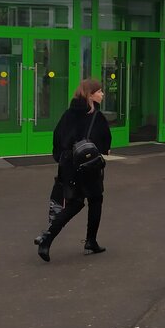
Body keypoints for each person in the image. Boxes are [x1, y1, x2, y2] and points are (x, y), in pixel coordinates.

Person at [34, 78, 112, 262]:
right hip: (89, 167)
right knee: (95, 199)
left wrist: (62, 158)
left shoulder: (68, 114)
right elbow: (104, 143)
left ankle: (47, 238)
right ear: (90, 95)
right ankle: (91, 241)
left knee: (75, 203)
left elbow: (57, 138)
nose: (102, 94)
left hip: (68, 166)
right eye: (99, 91)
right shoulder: (96, 116)